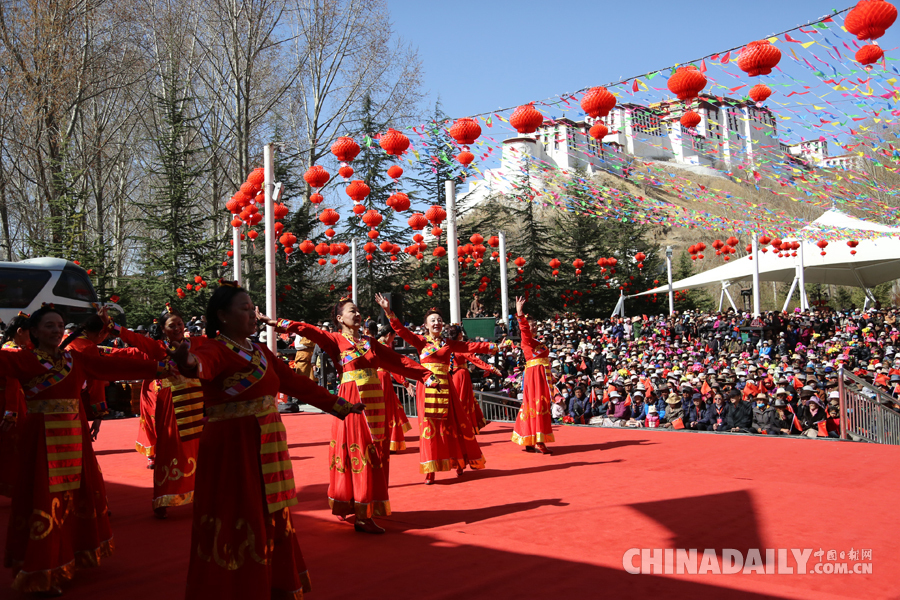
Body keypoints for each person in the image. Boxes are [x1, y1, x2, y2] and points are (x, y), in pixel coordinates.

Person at [170, 282, 364, 598]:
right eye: (244, 309)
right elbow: (201, 364)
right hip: (233, 448)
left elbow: (295, 383)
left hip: (267, 445)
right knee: (238, 512)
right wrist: (188, 363)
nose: (251, 315)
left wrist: (339, 405)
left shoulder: (260, 351)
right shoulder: (213, 347)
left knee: (271, 511)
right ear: (222, 315)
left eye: (252, 309)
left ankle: (273, 581)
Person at [0, 305, 163, 595]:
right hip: (41, 441)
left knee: (75, 496)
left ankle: (72, 555)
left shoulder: (76, 359)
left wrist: (161, 366)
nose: (55, 330)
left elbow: (114, 365)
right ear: (34, 333)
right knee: (44, 499)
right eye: (48, 325)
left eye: (59, 325)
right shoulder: (21, 360)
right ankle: (42, 568)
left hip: (75, 439)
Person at [260, 299, 434, 534]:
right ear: (340, 319)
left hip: (376, 404)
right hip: (352, 401)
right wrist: (281, 323)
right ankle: (362, 514)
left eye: (359, 310)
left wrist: (425, 374)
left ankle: (363, 504)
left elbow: (397, 361)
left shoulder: (371, 343)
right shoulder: (335, 340)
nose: (358, 313)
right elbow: (309, 330)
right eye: (353, 311)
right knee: (359, 452)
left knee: (377, 453)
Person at [377, 295, 498, 484]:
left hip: (446, 386)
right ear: (426, 325)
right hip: (426, 387)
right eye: (433, 320)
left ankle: (458, 462)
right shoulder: (420, 342)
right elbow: (400, 330)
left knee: (453, 423)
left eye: (439, 320)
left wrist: (492, 347)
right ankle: (430, 469)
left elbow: (469, 346)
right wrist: (388, 312)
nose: (437, 322)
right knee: (429, 427)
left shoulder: (449, 344)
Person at [119, 304, 208, 518]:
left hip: (197, 402)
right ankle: (163, 497)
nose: (177, 328)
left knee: (200, 449)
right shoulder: (159, 348)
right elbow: (135, 345)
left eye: (179, 323)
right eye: (171, 325)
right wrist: (114, 329)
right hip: (171, 403)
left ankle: (203, 495)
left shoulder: (196, 343)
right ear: (163, 329)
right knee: (170, 448)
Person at [511, 297, 556, 453]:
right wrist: (519, 312)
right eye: (532, 324)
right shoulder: (527, 340)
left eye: (535, 324)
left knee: (537, 405)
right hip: (535, 375)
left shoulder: (537, 341)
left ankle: (530, 438)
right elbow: (524, 328)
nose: (534, 326)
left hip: (541, 375)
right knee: (537, 405)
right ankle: (538, 440)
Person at [446, 324, 499, 435]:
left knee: (457, 400)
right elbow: (476, 360)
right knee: (464, 400)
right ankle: (466, 425)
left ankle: (459, 425)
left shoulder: (446, 346)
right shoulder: (461, 347)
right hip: (461, 376)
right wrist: (491, 368)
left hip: (452, 376)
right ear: (460, 335)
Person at [0, 313, 29, 498]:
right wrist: (11, 413)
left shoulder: (10, 348)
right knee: (12, 448)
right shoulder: (12, 352)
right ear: (20, 332)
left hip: (13, 402)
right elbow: (12, 384)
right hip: (10, 404)